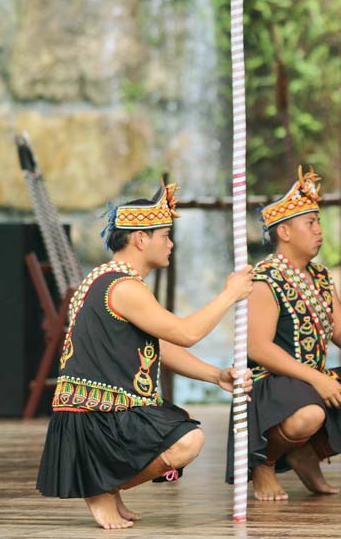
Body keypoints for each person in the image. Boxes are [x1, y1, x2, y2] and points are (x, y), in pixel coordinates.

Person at [36, 181, 254, 530]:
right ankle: (100, 488)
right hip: (94, 420)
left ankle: (108, 486)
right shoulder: (122, 287)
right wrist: (230, 294)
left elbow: (162, 346)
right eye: (165, 235)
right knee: (187, 441)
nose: (171, 243)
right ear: (140, 238)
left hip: (104, 415)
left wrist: (215, 375)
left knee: (183, 436)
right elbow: (186, 333)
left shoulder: (111, 279)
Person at [229, 166, 341, 500]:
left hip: (312, 378)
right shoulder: (264, 280)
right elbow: (259, 348)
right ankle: (263, 464)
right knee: (309, 413)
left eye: (319, 222)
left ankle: (304, 452)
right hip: (272, 383)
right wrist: (318, 380)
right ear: (284, 231)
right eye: (309, 223)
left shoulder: (321, 277)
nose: (318, 230)